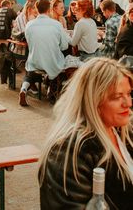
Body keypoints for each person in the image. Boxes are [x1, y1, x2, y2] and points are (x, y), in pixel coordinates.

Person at [38, 57, 133, 209]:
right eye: (117, 97)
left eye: (129, 94)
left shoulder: (122, 130)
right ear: (92, 101)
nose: (128, 103)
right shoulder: (69, 153)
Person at [19, 0, 70, 106]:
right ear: (49, 9)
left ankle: (24, 89)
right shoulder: (56, 24)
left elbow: (29, 42)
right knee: (58, 68)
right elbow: (64, 46)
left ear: (37, 10)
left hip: (35, 60)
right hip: (52, 61)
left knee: (30, 72)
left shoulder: (29, 25)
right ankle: (52, 89)